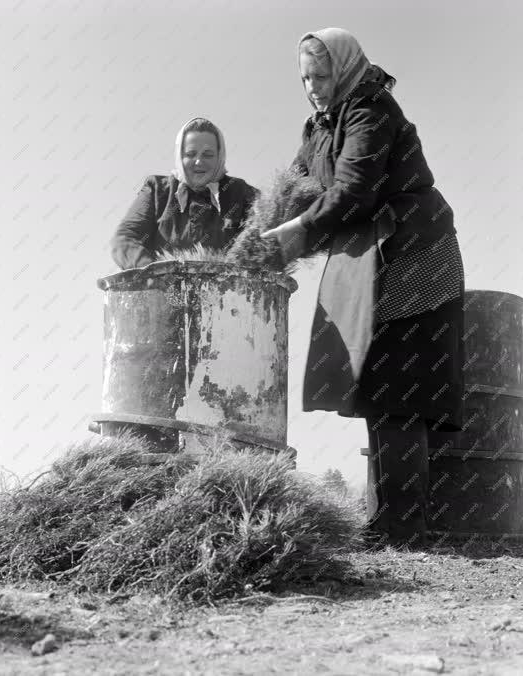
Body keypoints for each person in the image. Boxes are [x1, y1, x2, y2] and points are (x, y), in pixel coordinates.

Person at [262, 27, 465, 548]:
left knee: (400, 389)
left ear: (346, 69)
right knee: (377, 387)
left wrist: (301, 231)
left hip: (415, 254)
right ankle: (388, 523)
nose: (312, 87)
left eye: (322, 75)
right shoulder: (318, 128)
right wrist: (256, 241)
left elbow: (356, 188)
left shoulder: (370, 110)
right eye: (305, 77)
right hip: (372, 259)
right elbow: (292, 190)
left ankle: (404, 527)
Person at [111, 117, 258, 270]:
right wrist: (155, 275)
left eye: (208, 154)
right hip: (162, 291)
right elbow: (124, 239)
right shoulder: (157, 190)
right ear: (180, 156)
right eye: (190, 154)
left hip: (226, 291)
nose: (198, 162)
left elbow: (270, 225)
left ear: (220, 156)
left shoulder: (240, 192)